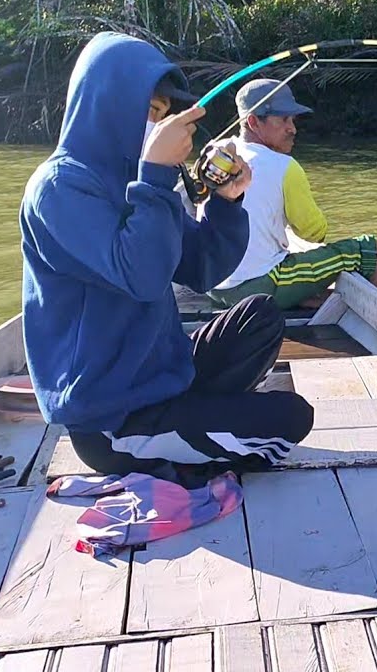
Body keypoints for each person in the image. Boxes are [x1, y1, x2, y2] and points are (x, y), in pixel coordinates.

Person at [19, 31, 315, 481]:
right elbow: (142, 276)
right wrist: (155, 175)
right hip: (112, 419)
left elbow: (201, 268)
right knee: (291, 418)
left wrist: (226, 202)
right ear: (107, 105)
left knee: (261, 316)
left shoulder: (142, 179)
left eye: (162, 114)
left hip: (159, 373)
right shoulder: (60, 187)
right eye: (149, 112)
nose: (157, 125)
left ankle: (194, 418)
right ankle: (182, 436)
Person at [206, 79, 377, 311]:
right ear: (253, 122)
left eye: (293, 120)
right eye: (284, 120)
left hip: (213, 285)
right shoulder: (285, 166)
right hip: (256, 288)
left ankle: (300, 296)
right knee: (371, 250)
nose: (293, 129)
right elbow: (314, 232)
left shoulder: (214, 152)